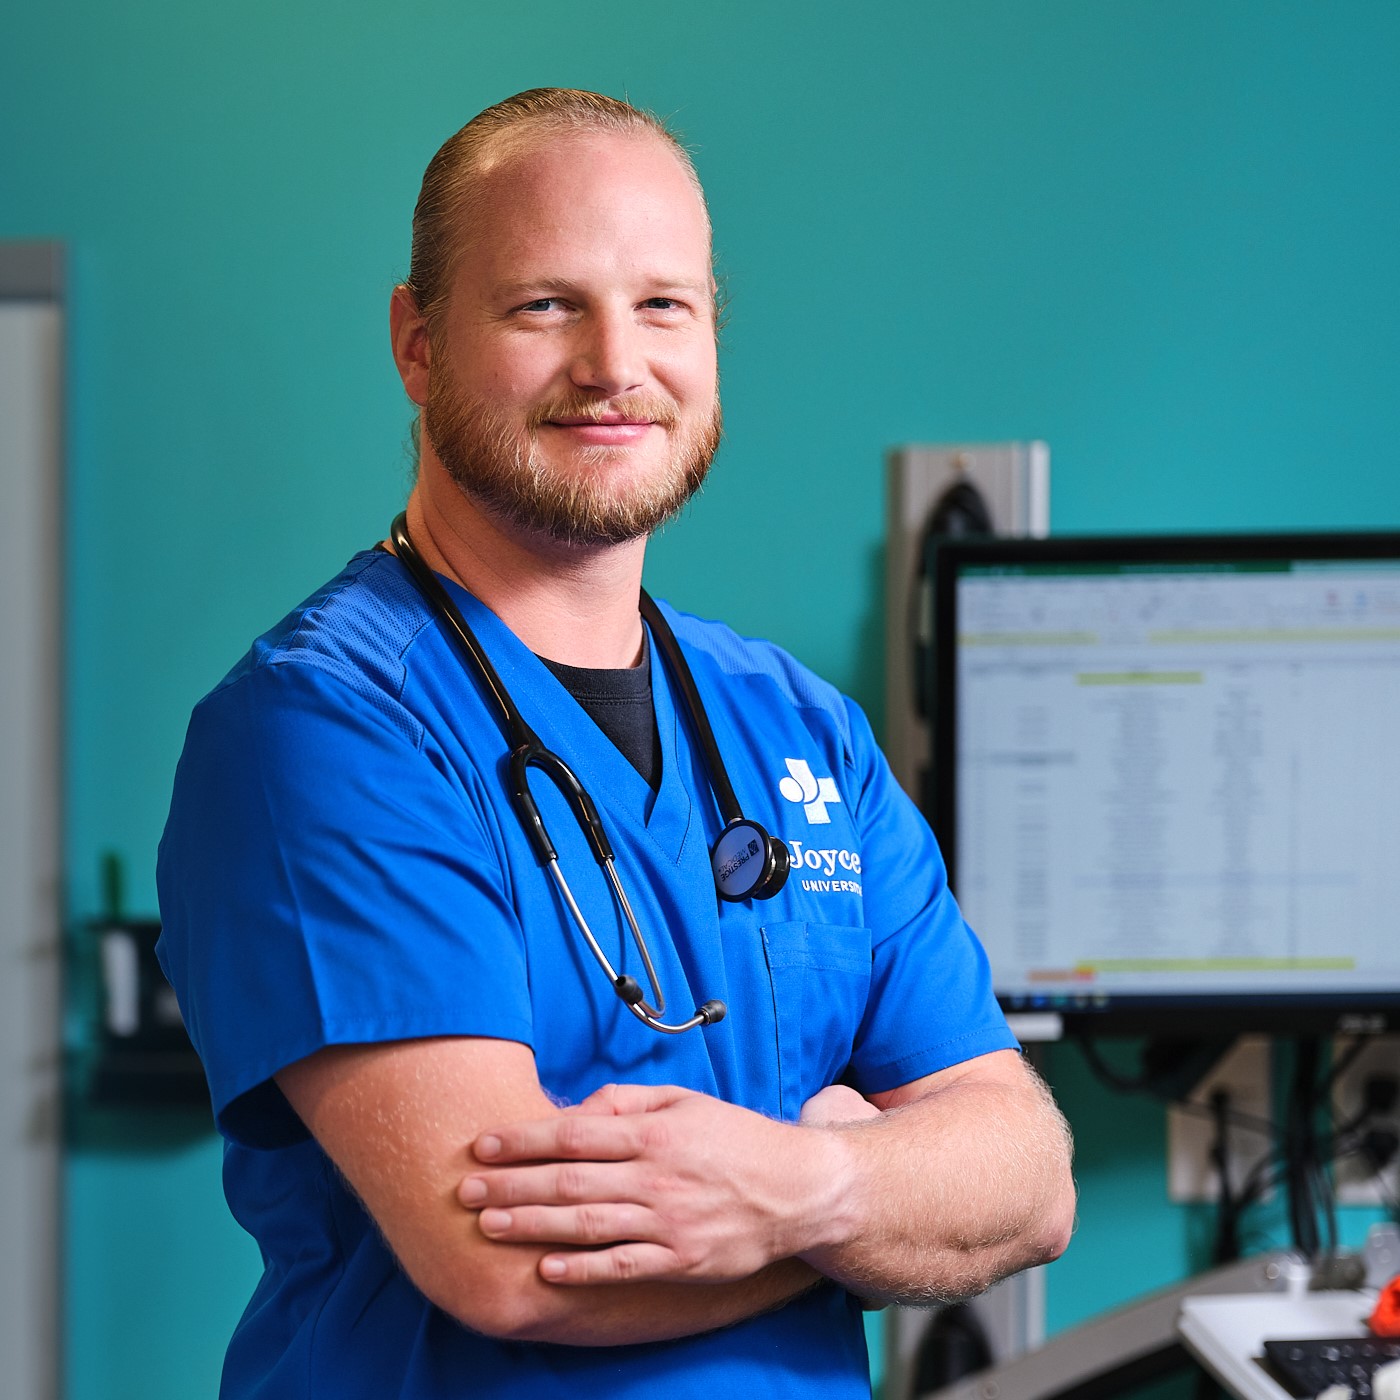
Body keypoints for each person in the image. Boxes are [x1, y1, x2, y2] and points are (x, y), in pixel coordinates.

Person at [156, 87, 1075, 1400]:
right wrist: (872, 1206)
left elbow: (1027, 1186)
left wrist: (795, 1192)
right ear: (417, 343)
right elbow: (509, 1263)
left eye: (663, 306)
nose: (613, 365)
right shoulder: (322, 728)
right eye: (545, 305)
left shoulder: (800, 729)